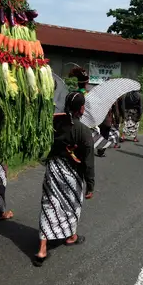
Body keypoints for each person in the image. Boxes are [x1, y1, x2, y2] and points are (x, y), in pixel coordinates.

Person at [34, 92, 95, 266]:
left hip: (53, 168)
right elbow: (88, 161)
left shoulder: (55, 123)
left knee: (50, 203)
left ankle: (42, 248)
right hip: (71, 173)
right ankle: (71, 235)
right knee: (72, 204)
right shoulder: (83, 131)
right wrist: (90, 185)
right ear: (82, 108)